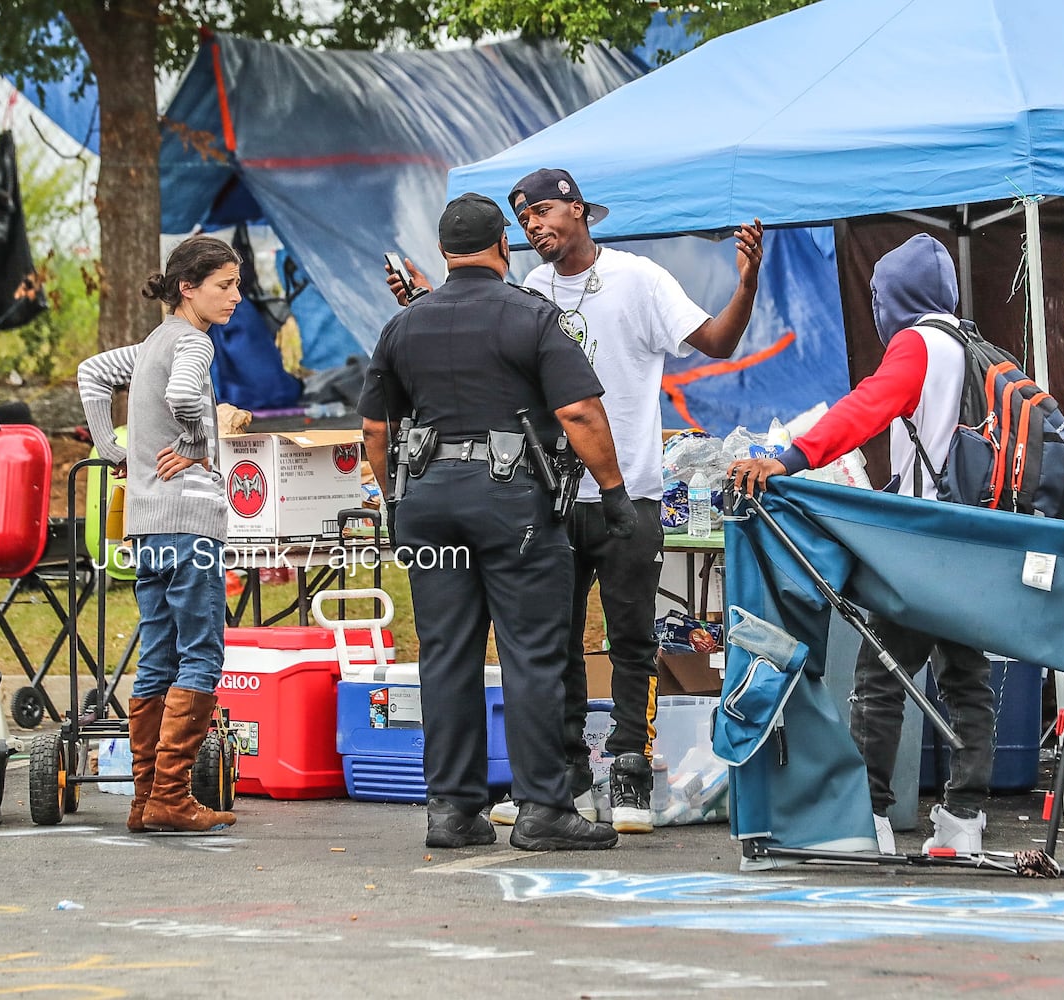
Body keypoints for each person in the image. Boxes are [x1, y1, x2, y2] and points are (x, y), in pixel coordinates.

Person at [390, 169, 764, 835]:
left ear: (580, 209)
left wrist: (747, 284)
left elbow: (717, 343)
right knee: (547, 643)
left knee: (631, 638)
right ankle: (556, 780)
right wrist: (425, 300)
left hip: (631, 488)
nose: (535, 226)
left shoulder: (638, 278)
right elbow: (475, 338)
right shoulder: (525, 291)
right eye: (523, 219)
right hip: (541, 498)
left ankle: (628, 770)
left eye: (543, 211)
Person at [360, 192, 636, 852]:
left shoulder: (404, 326)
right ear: (502, 246)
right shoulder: (530, 316)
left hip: (426, 503)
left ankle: (452, 811)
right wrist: (616, 493)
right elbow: (581, 414)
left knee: (446, 653)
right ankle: (543, 807)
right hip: (511, 503)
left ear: (444, 253)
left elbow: (376, 429)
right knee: (532, 652)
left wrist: (396, 504)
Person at [728, 234, 995, 856]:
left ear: (895, 298)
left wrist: (791, 457)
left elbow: (868, 406)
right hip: (979, 538)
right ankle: (963, 820)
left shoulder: (919, 342)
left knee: (882, 674)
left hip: (929, 540)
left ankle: (867, 817)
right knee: (966, 676)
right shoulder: (976, 345)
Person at [77, 234, 242, 834]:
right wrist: (197, 445)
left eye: (237, 284)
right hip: (190, 523)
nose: (236, 297)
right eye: (224, 285)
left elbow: (92, 373)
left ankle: (146, 799)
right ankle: (170, 798)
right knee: (201, 654)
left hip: (146, 527)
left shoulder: (151, 345)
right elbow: (182, 398)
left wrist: (109, 449)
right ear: (187, 288)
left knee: (156, 660)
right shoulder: (193, 344)